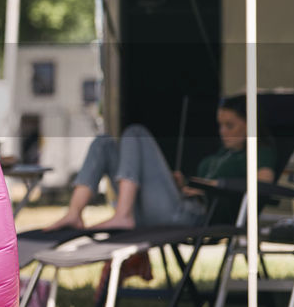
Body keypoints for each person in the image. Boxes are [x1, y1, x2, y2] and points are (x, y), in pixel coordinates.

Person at [43, 96, 275, 235]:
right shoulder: (220, 155)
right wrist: (182, 183)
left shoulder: (259, 153)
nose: (223, 131)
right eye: (220, 125)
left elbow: (264, 185)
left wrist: (211, 186)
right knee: (103, 142)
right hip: (170, 205)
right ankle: (75, 213)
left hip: (191, 215)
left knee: (136, 133)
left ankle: (123, 215)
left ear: (250, 125)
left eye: (230, 125)